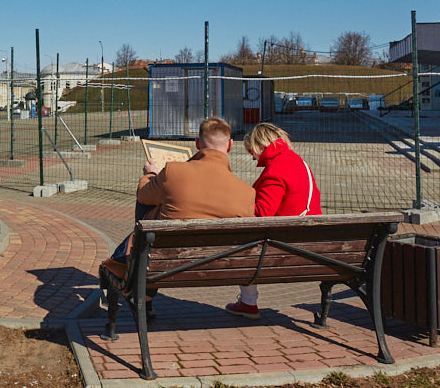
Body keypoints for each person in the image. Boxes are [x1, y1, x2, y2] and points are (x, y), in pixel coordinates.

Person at [109, 117, 254, 264]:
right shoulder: (247, 192)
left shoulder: (173, 171)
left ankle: (129, 264)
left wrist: (150, 175)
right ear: (230, 145)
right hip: (219, 264)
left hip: (165, 259)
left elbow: (143, 195)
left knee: (151, 198)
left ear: (197, 143)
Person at [225, 122, 322, 319]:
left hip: (287, 246)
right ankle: (247, 302)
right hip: (314, 242)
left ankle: (248, 302)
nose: (251, 156)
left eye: (251, 150)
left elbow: (262, 214)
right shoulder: (297, 161)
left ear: (260, 145)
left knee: (243, 241)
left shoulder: (276, 170)